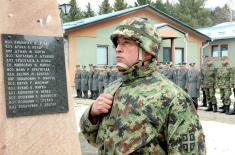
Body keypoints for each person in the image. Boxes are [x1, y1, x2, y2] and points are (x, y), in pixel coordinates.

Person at [80, 17, 206, 154]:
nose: (118, 49)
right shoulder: (113, 89)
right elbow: (95, 140)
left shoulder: (173, 98)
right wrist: (92, 114)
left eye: (126, 43)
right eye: (117, 43)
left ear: (147, 50)